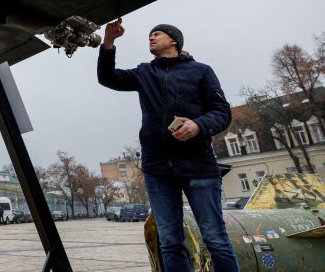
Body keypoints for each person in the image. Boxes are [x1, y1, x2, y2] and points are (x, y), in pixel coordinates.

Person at [97, 18, 239, 272]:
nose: (151, 38)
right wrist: (108, 42)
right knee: (170, 242)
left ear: (173, 40)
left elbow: (222, 112)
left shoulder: (201, 71)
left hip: (198, 166)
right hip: (157, 169)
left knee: (215, 239)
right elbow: (108, 78)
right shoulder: (144, 73)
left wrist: (198, 125)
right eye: (149, 35)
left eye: (157, 34)